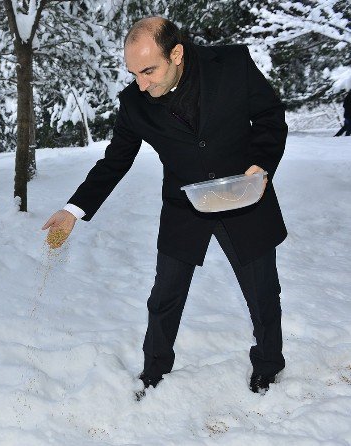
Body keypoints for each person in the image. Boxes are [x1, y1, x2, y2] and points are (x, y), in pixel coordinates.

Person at [42, 17, 288, 398]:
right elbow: (115, 160)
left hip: (244, 194)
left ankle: (269, 365)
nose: (141, 83)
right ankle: (154, 370)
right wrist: (73, 210)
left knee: (262, 292)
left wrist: (261, 163)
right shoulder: (135, 103)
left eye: (148, 70)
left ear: (176, 53)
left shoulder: (232, 65)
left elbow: (271, 118)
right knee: (165, 296)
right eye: (133, 73)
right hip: (185, 204)